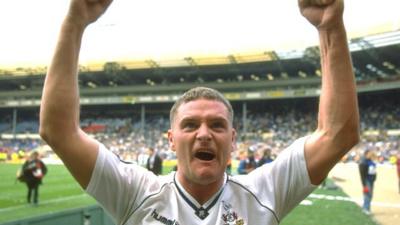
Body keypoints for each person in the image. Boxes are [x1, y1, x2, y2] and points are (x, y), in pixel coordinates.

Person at [39, 0, 359, 224]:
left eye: (217, 126)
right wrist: (75, 21)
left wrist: (330, 27)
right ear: (171, 140)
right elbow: (58, 130)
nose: (204, 133)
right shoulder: (135, 193)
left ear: (233, 140)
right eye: (190, 125)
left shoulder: (265, 192)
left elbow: (338, 134)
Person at [358, 150, 377, 214]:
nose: (371, 154)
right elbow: (362, 175)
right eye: (370, 153)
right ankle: (366, 209)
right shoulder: (363, 162)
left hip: (371, 180)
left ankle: (367, 208)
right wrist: (364, 185)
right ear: (366, 154)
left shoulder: (371, 161)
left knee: (370, 195)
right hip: (367, 180)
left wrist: (374, 178)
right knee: (367, 195)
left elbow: (374, 170)